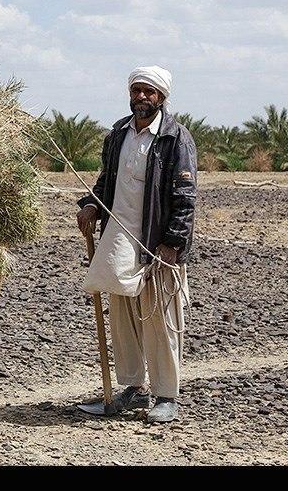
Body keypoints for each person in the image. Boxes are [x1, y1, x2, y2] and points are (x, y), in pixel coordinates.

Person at [76, 66, 197, 423]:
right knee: (123, 317)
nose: (141, 97)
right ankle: (132, 388)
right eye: (136, 90)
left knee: (160, 318)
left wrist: (172, 243)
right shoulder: (118, 133)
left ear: (162, 97)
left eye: (149, 91)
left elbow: (185, 197)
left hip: (156, 242)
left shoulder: (176, 138)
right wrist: (91, 205)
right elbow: (106, 181)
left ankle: (166, 396)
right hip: (119, 238)